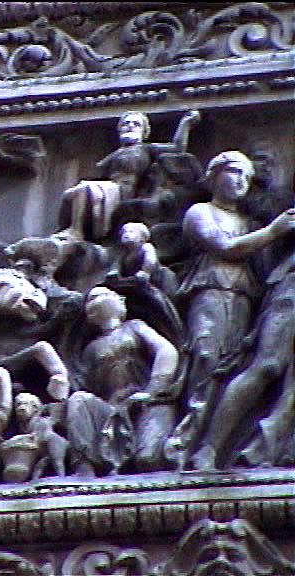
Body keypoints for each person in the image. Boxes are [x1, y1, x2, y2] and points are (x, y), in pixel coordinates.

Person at [176, 152, 295, 469]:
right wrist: (274, 231)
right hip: (211, 291)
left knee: (231, 364)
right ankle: (187, 442)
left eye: (247, 176)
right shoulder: (201, 212)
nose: (241, 181)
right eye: (234, 172)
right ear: (213, 175)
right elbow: (225, 248)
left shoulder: (250, 223)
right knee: (206, 357)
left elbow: (264, 266)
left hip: (244, 296)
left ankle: (222, 446)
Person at [66, 287, 179, 475]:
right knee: (78, 400)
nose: (91, 302)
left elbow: (166, 351)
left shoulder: (134, 327)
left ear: (120, 301)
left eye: (99, 296)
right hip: (113, 411)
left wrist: (152, 390)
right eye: (88, 300)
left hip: (148, 402)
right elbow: (89, 388)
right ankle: (84, 469)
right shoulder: (90, 349)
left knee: (148, 460)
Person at [56, 110, 200, 241]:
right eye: (126, 124)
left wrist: (185, 124)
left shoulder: (146, 148)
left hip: (124, 190)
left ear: (144, 132)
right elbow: (99, 170)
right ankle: (66, 228)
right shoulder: (116, 154)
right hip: (110, 187)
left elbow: (177, 147)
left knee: (85, 187)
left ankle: (76, 231)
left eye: (136, 124)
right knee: (69, 194)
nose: (130, 126)